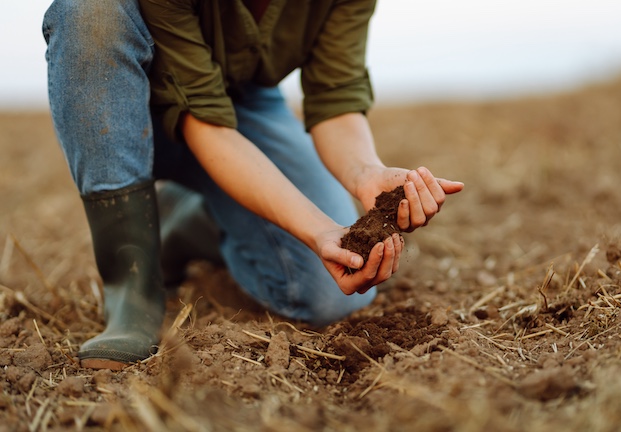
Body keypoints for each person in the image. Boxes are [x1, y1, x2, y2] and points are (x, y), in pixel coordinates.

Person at [43, 0, 463, 370]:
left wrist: (365, 173)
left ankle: (193, 219)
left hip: (238, 101)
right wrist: (315, 228)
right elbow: (203, 119)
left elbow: (336, 98)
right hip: (126, 93)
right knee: (91, 10)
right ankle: (130, 290)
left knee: (326, 296)